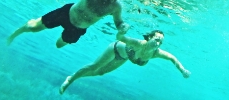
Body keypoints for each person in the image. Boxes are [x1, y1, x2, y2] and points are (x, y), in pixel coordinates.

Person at [7, 0, 130, 48]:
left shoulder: (116, 7)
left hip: (78, 29)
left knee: (59, 45)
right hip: (66, 14)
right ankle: (17, 32)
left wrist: (123, 26)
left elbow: (119, 22)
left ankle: (64, 38)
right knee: (33, 28)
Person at [59, 29, 191, 94]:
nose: (158, 44)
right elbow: (120, 37)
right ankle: (70, 79)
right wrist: (122, 31)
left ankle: (74, 77)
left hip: (123, 57)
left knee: (100, 72)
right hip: (114, 48)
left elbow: (172, 58)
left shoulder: (156, 53)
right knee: (95, 66)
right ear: (149, 37)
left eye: (160, 42)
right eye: (156, 40)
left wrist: (182, 70)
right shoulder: (138, 44)